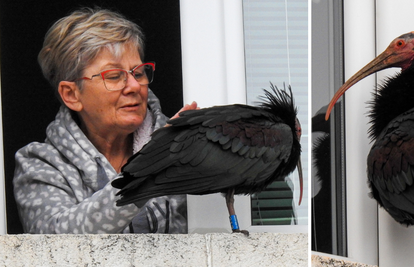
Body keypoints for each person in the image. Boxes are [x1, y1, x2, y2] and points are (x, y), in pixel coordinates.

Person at [13, 7, 197, 234]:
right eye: (114, 76)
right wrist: (148, 166)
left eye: (138, 73)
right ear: (72, 95)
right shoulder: (40, 164)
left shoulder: (181, 148)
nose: (133, 86)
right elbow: (58, 240)